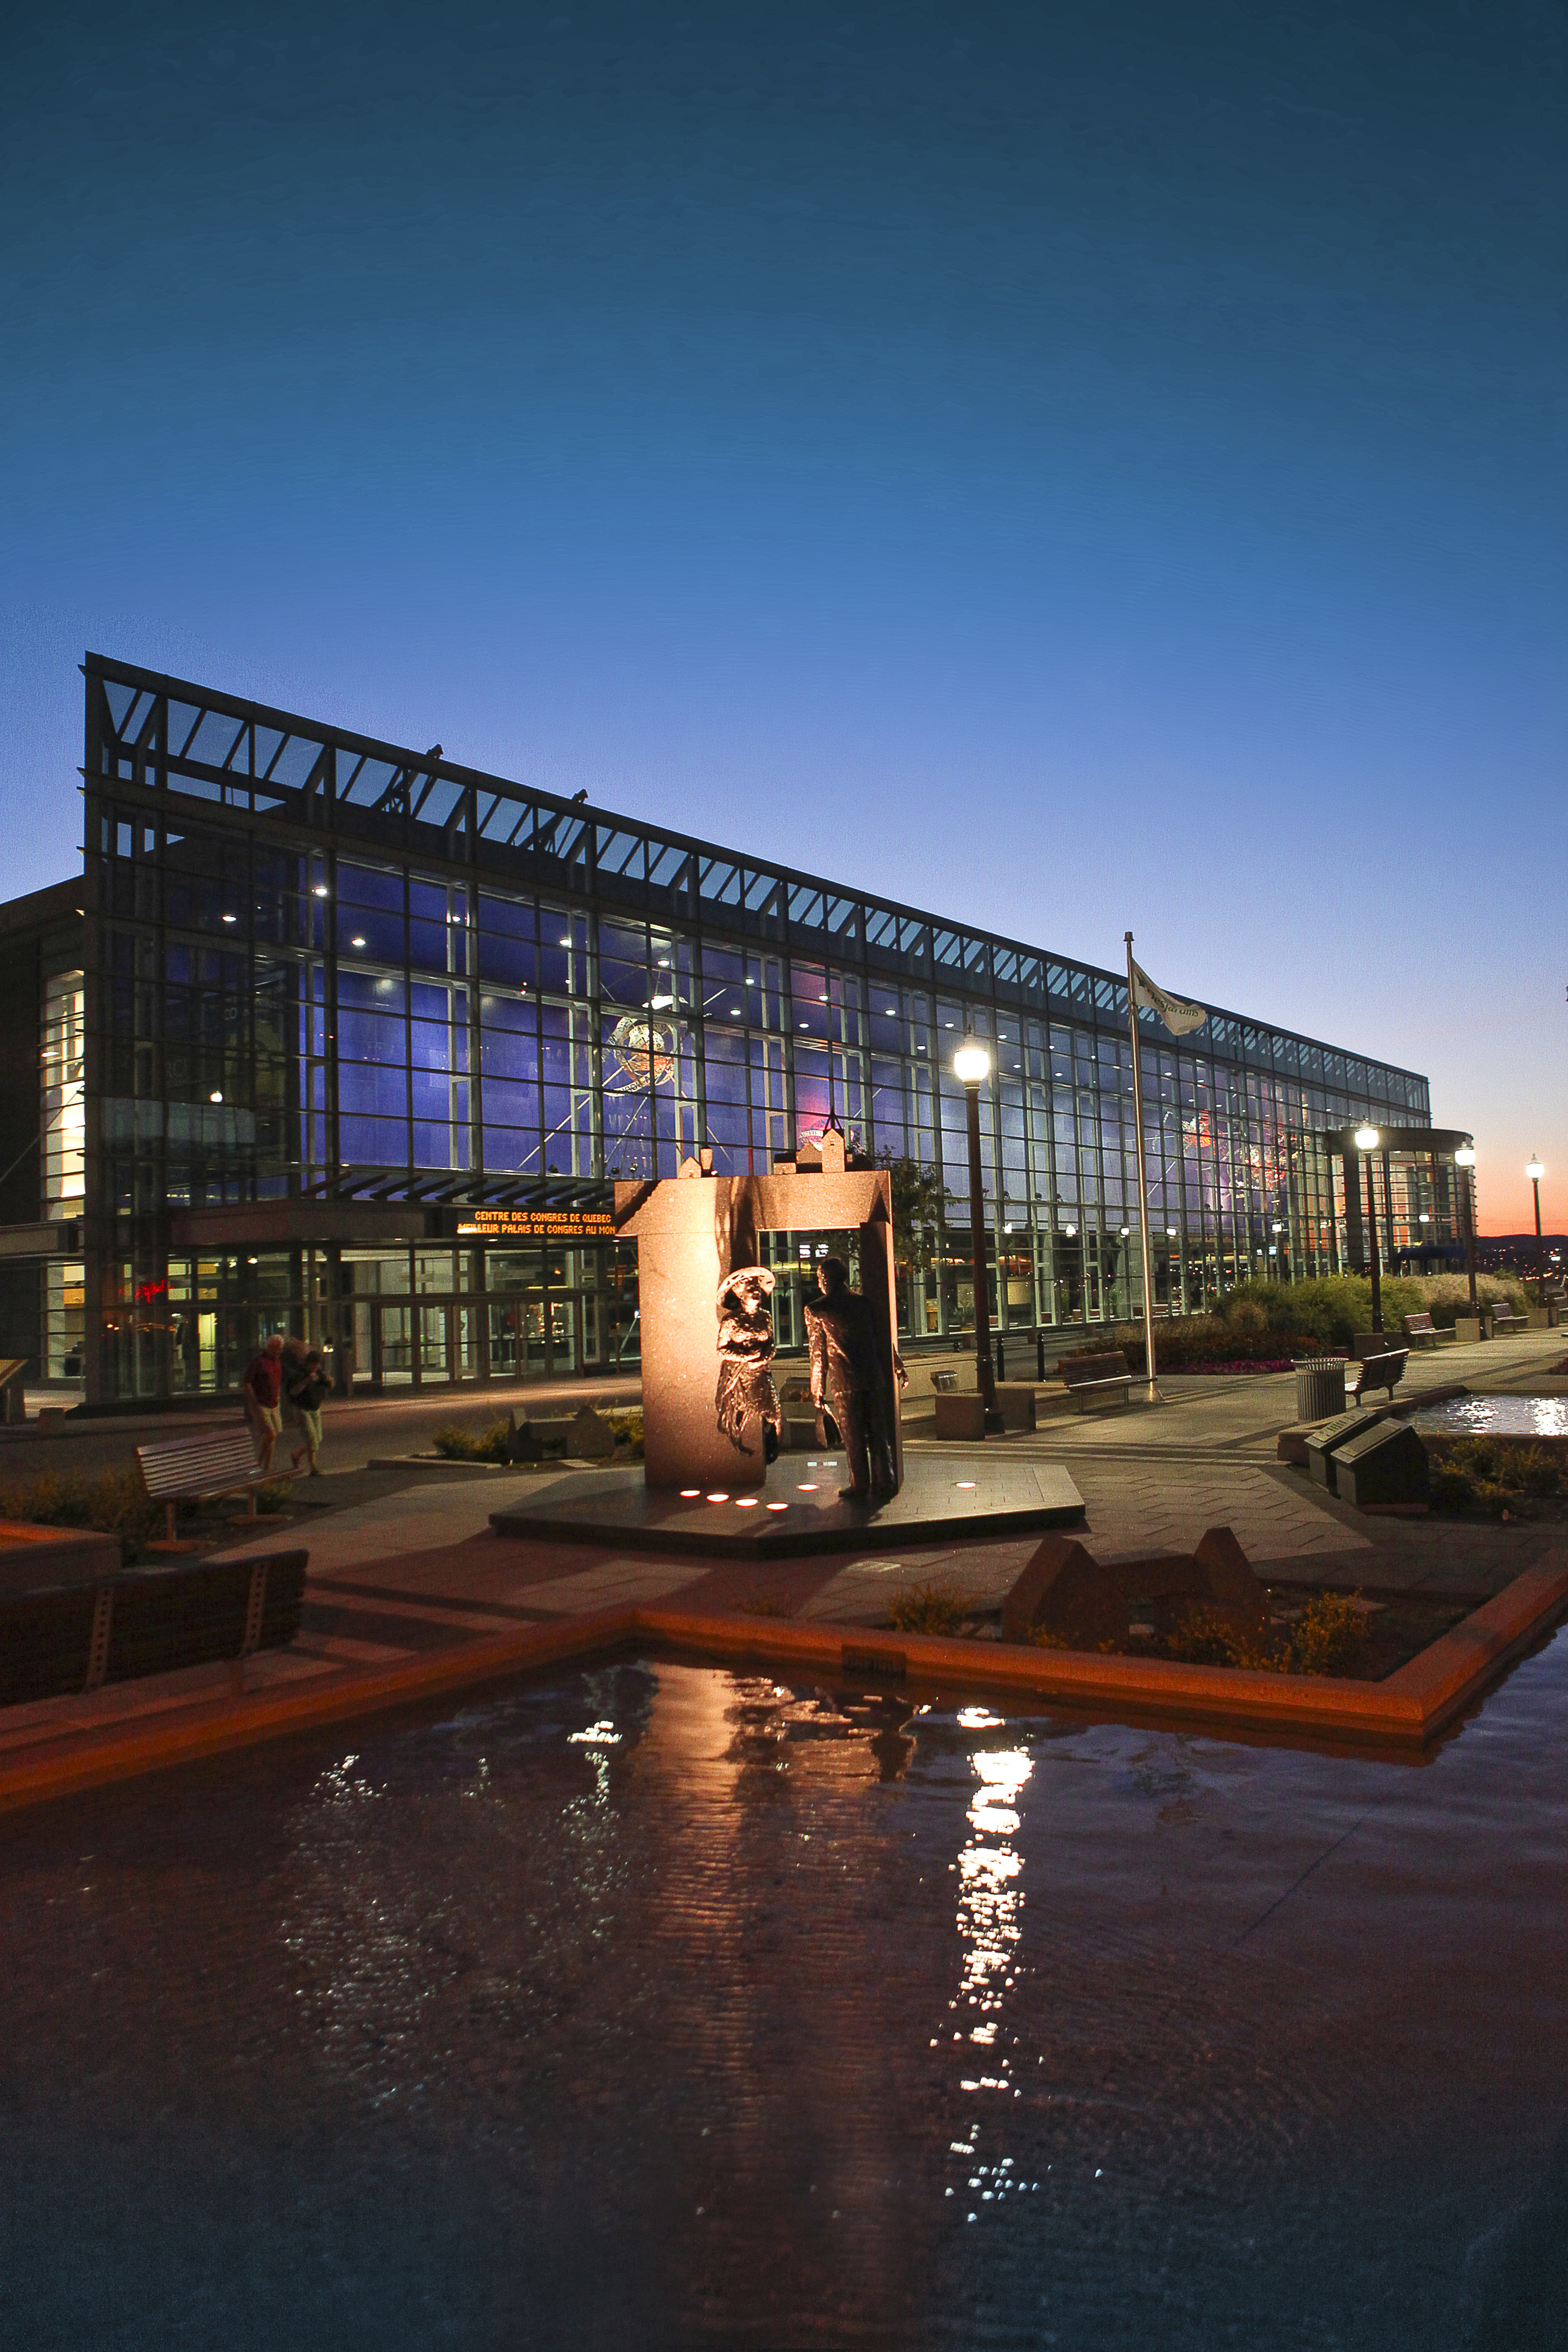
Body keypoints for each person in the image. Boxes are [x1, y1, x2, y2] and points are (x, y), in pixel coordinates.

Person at [803, 1257, 906, 1501]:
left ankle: (860, 1483)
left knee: (854, 1435)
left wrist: (817, 1391)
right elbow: (882, 1339)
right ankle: (885, 1480)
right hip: (873, 1377)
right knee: (878, 1433)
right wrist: (898, 1365)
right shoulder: (863, 1303)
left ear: (824, 1280)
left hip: (845, 1381)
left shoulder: (817, 1310)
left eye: (819, 1279)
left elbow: (817, 1355)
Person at [241, 1333, 286, 1471]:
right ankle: (259, 1464)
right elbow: (246, 1382)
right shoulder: (259, 1362)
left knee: (273, 1436)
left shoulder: (277, 1362)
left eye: (279, 1349)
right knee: (270, 1433)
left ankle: (266, 1467)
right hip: (261, 1403)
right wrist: (253, 1402)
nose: (277, 1352)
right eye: (274, 1349)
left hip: (274, 1404)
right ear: (268, 1347)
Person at [287, 1347, 333, 1476]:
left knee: (316, 1440)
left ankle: (296, 1455)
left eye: (317, 1365)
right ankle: (313, 1468)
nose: (315, 1367)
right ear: (308, 1364)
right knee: (311, 1438)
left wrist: (329, 1383)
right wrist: (307, 1380)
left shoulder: (318, 1373)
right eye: (313, 1365)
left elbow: (326, 1384)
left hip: (315, 1409)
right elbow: (293, 1391)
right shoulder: (299, 1374)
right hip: (303, 1410)